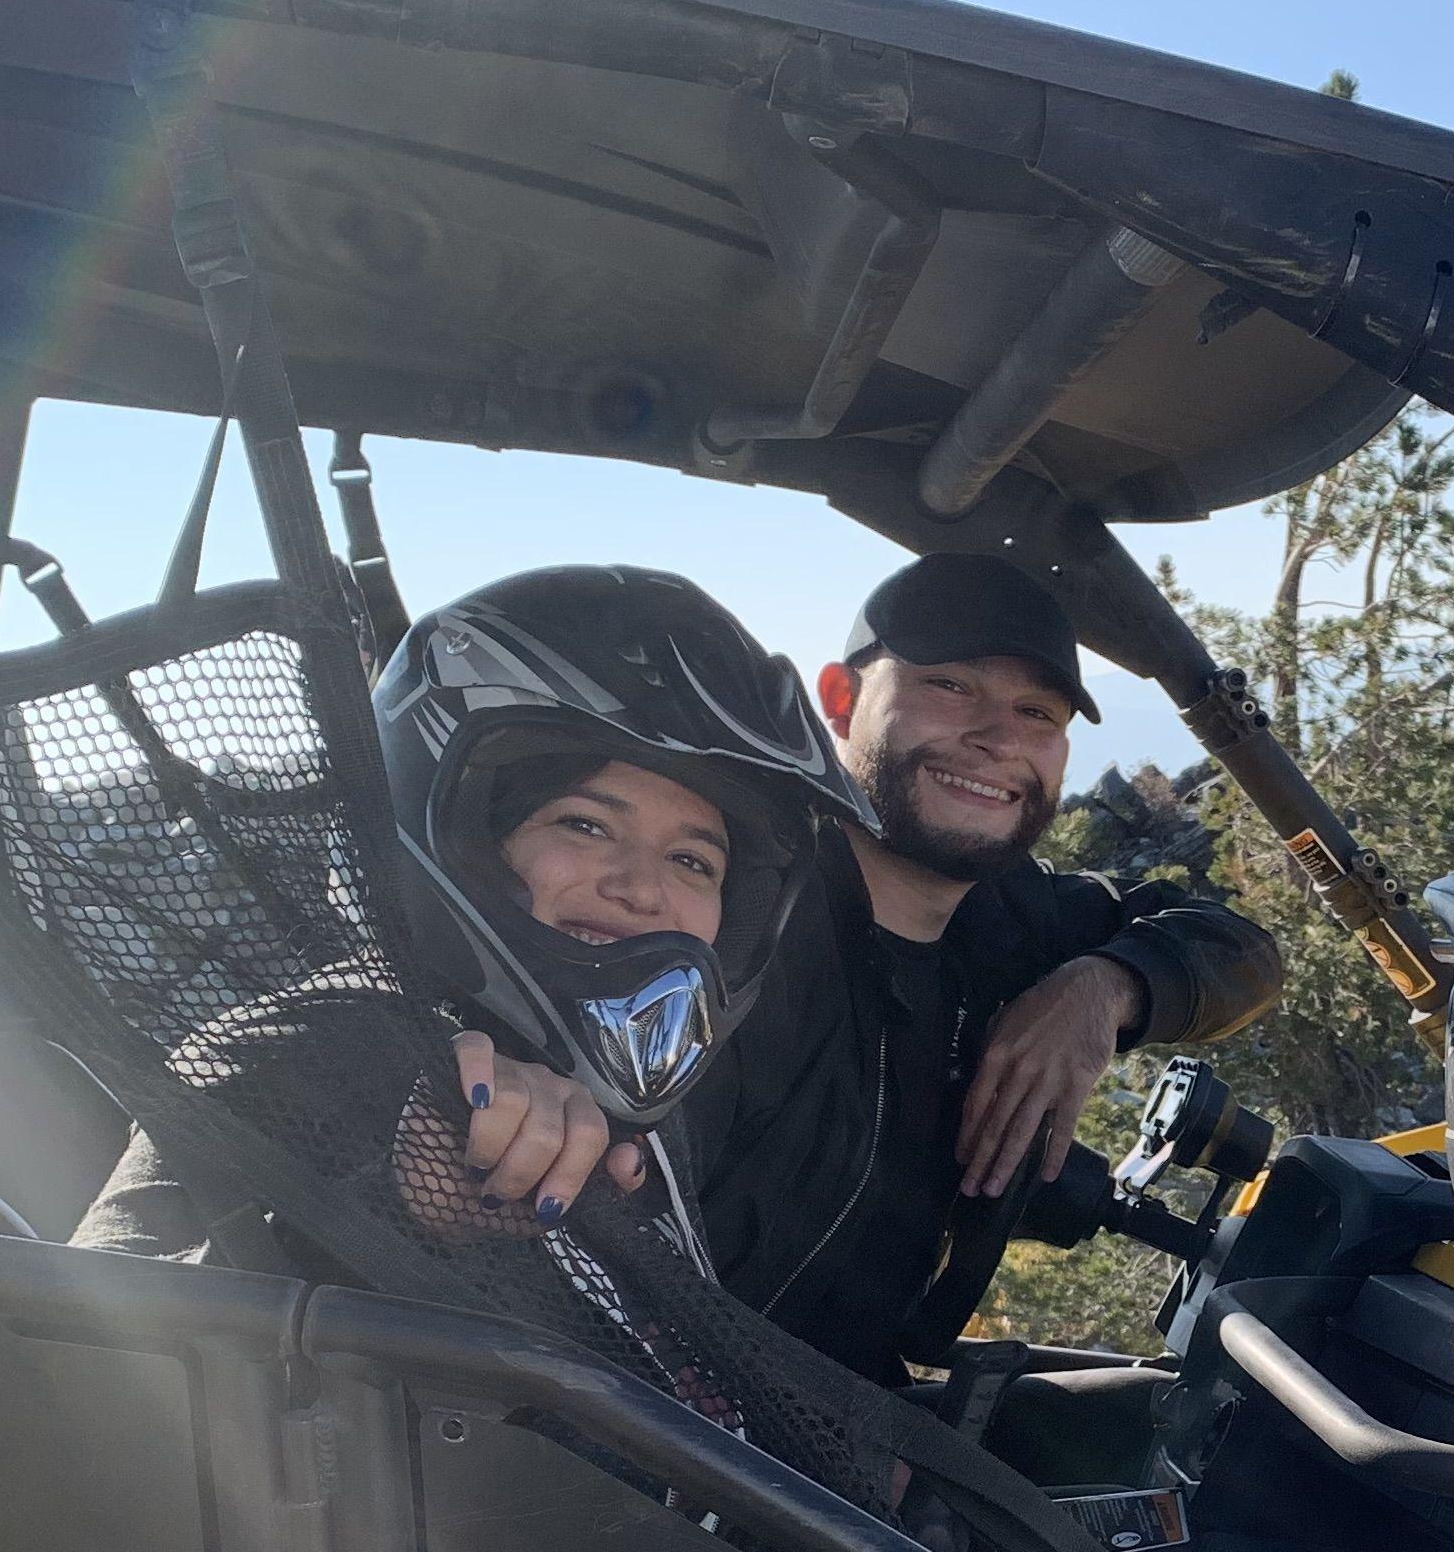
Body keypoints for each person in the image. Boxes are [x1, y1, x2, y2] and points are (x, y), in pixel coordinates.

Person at [75, 565, 873, 1441]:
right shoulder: (303, 1046)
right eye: (586, 825)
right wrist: (401, 1211)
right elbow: (80, 1384)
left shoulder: (639, 1111)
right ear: (469, 835)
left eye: (694, 861)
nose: (643, 888)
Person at [675, 551, 1282, 1382]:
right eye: (951, 687)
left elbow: (1243, 950)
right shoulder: (728, 904)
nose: (999, 739)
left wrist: (1105, 988)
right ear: (841, 700)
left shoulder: (1014, 920)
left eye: (1037, 712)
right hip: (650, 1411)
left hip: (852, 1410)